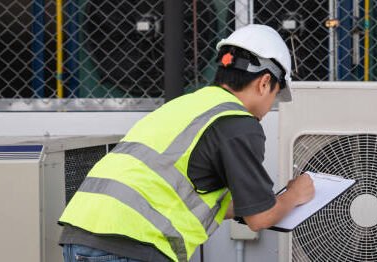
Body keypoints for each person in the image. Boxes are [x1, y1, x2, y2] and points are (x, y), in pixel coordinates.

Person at [57, 24, 315, 262]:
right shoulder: (238, 122)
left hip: (82, 236)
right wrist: (295, 195)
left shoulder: (188, 105)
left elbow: (176, 193)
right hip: (130, 246)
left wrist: (254, 205)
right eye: (275, 96)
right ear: (265, 82)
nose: (271, 107)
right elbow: (260, 219)